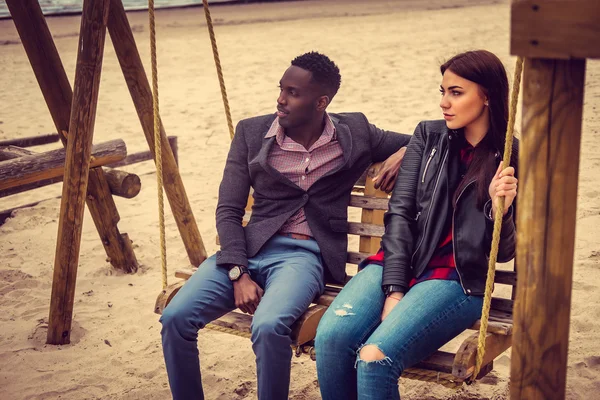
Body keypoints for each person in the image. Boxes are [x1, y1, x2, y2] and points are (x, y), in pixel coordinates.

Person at [159, 51, 411, 400]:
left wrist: (404, 152)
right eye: (281, 89)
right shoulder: (251, 133)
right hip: (246, 251)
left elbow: (427, 137)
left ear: (321, 102)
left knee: (268, 325)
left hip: (304, 257)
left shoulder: (354, 131)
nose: (281, 99)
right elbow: (228, 209)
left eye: (293, 92)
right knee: (175, 318)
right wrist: (238, 273)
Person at [314, 50, 519, 400]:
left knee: (375, 358)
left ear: (485, 96)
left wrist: (500, 210)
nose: (444, 102)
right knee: (330, 339)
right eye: (442, 92)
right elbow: (400, 216)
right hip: (398, 264)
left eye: (456, 92)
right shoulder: (426, 136)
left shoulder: (508, 153)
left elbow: (504, 252)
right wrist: (395, 288)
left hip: (455, 280)